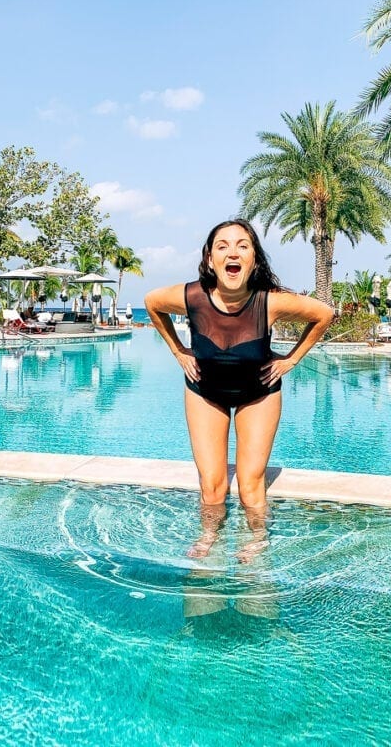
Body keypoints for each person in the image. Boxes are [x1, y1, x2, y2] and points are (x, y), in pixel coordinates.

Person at [144, 218, 334, 561]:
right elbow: (152, 303)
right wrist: (177, 350)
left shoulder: (270, 301)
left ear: (255, 259)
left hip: (258, 394)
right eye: (223, 246)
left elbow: (323, 314)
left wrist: (291, 360)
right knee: (213, 485)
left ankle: (258, 537)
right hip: (204, 392)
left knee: (250, 484)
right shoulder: (191, 297)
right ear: (209, 259)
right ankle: (209, 534)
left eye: (242, 245)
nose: (233, 252)